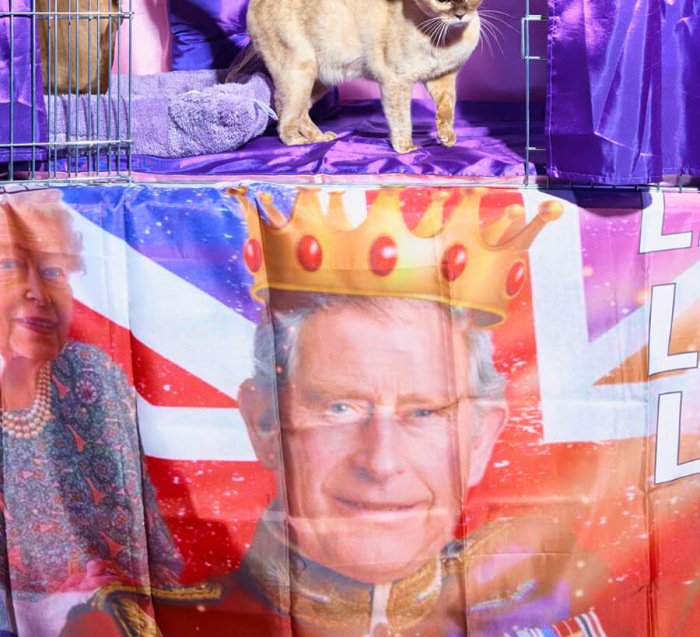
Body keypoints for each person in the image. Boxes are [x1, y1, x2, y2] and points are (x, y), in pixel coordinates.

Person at [65, 188, 611, 636]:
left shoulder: (549, 615)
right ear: (264, 422)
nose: (382, 462)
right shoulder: (142, 629)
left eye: (424, 412)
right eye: (340, 407)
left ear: (481, 437)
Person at [0, 188, 181, 636]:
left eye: (53, 271)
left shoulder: (90, 373)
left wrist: (107, 592)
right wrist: (58, 605)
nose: (37, 292)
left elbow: (157, 554)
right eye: (8, 266)